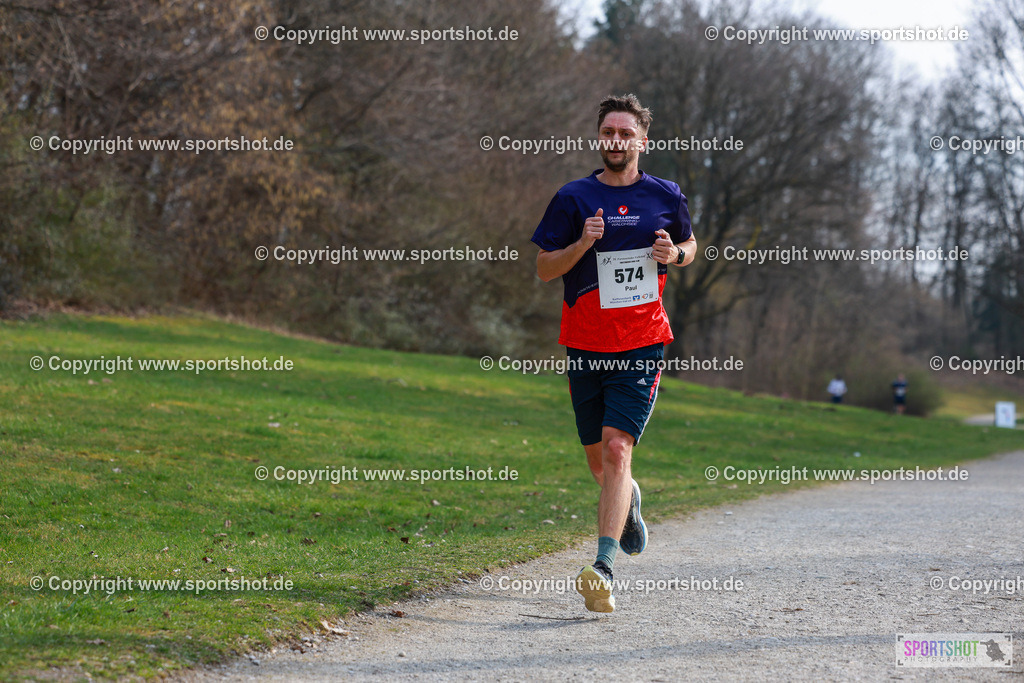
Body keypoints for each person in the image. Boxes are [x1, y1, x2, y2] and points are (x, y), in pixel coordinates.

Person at [531, 94, 696, 612]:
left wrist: (676, 254)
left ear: (642, 141)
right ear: (599, 137)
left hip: (642, 342)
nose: (617, 140)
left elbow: (691, 245)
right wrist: (582, 245)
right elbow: (544, 269)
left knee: (618, 449)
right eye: (609, 132)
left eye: (626, 133)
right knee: (598, 462)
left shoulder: (665, 195)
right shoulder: (573, 197)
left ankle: (602, 568)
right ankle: (629, 499)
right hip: (585, 344)